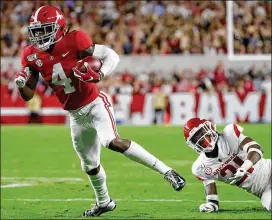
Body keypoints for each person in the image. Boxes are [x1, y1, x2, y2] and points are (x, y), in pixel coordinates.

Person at [14, 5, 186, 217]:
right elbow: (28, 95)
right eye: (36, 31)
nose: (39, 36)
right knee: (89, 165)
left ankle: (167, 171)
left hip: (95, 104)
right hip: (74, 115)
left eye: (45, 30)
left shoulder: (75, 40)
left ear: (59, 28)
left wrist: (100, 74)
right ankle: (104, 202)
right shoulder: (31, 55)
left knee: (111, 141)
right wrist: (21, 83)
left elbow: (111, 55)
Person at [183, 118, 271, 212]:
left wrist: (244, 168)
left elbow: (256, 149)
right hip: (263, 192)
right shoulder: (200, 167)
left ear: (209, 127)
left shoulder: (229, 135)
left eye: (201, 132)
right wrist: (211, 205)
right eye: (196, 138)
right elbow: (211, 194)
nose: (201, 138)